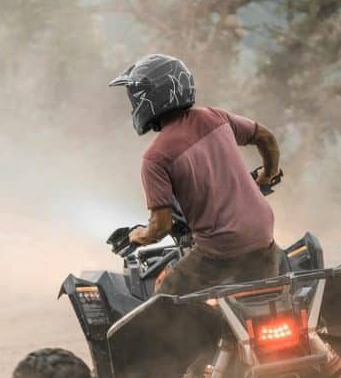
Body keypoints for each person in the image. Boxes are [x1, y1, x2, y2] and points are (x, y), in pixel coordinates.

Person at [109, 53, 283, 295]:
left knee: (165, 296)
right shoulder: (216, 117)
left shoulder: (155, 157)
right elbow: (266, 138)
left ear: (148, 99)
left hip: (220, 250)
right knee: (264, 297)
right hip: (263, 235)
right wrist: (267, 174)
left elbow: (161, 226)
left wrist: (138, 237)